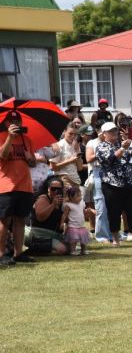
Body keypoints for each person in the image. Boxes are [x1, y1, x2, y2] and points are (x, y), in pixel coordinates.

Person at [95, 122, 132, 248]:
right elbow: (110, 160)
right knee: (114, 212)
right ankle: (116, 240)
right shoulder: (101, 146)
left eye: (115, 131)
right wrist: (123, 148)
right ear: (104, 134)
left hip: (129, 182)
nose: (114, 133)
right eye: (111, 132)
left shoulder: (122, 143)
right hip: (111, 184)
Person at [0, 110, 36, 265]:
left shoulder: (27, 139)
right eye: (12, 121)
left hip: (25, 185)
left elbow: (33, 162)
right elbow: (2, 155)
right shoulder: (1, 137)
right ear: (6, 123)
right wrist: (10, 137)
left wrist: (30, 159)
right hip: (6, 185)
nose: (15, 124)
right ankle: (1, 254)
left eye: (18, 121)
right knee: (4, 221)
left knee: (20, 220)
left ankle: (18, 253)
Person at [24, 176, 68, 256]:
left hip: (52, 235)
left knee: (71, 247)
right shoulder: (43, 199)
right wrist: (53, 205)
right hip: (38, 235)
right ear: (48, 189)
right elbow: (40, 217)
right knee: (62, 250)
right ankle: (34, 250)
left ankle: (39, 249)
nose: (56, 191)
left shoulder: (62, 201)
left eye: (59, 189)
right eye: (53, 189)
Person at [61, 186, 92, 256]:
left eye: (80, 195)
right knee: (74, 240)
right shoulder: (69, 205)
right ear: (71, 197)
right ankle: (72, 250)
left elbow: (83, 212)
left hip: (81, 226)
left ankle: (83, 250)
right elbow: (64, 215)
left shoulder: (82, 203)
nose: (80, 197)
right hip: (72, 226)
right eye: (78, 196)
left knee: (83, 240)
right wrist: (62, 223)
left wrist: (87, 212)